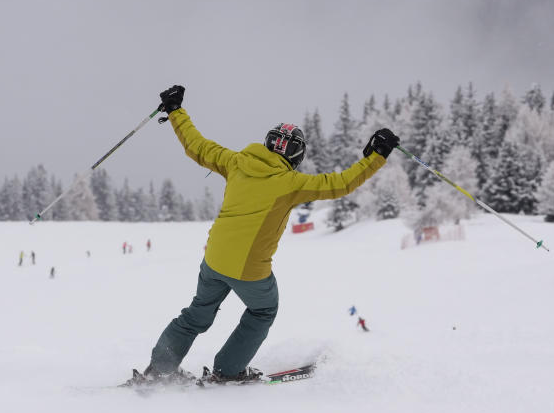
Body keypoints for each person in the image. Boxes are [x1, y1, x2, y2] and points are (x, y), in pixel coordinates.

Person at [127, 85, 398, 386]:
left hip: (214, 259)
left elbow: (197, 145)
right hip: (249, 269)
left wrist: (175, 110)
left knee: (195, 315)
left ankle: (160, 369)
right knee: (263, 309)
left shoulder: (235, 162)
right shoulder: (291, 182)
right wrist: (376, 156)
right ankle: (228, 371)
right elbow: (341, 184)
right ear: (297, 155)